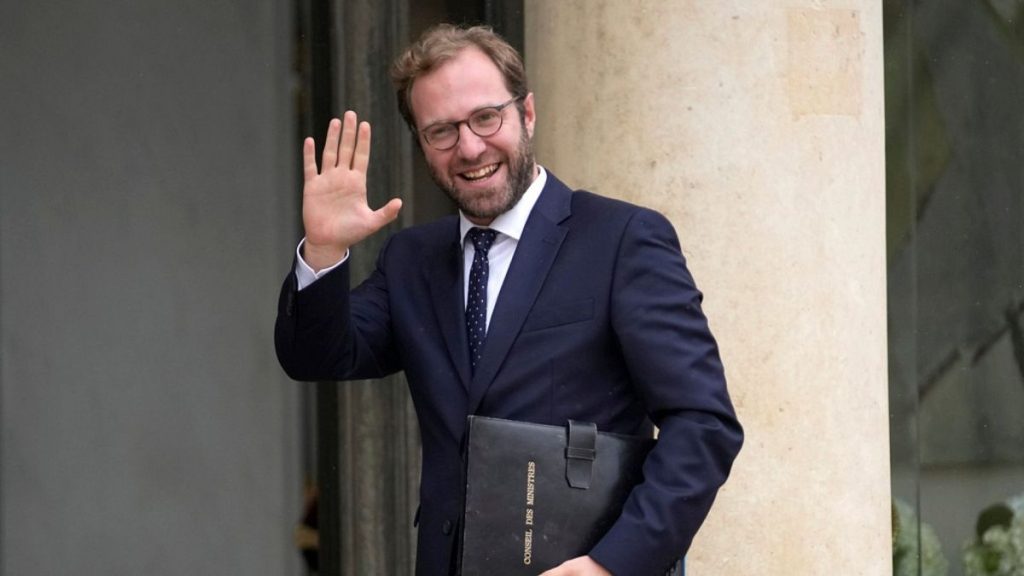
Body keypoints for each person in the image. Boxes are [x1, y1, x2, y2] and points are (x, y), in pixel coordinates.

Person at [275, 23, 743, 576]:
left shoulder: (622, 239)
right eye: (441, 131)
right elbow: (318, 355)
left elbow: (703, 424)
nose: (469, 147)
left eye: (485, 117)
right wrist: (324, 251)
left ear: (527, 113)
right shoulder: (411, 261)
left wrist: (611, 565)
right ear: (422, 144)